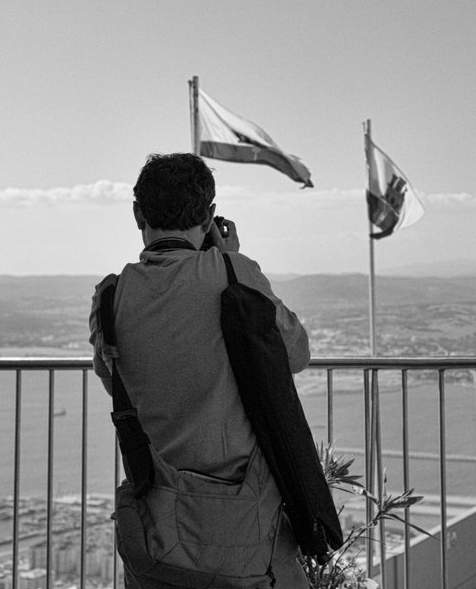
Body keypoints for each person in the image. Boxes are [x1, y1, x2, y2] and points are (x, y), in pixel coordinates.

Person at [89, 153, 311, 589]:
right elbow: (296, 354)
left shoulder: (111, 297)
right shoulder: (233, 274)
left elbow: (113, 380)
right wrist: (228, 260)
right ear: (210, 215)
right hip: (239, 521)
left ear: (138, 214)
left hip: (154, 524)